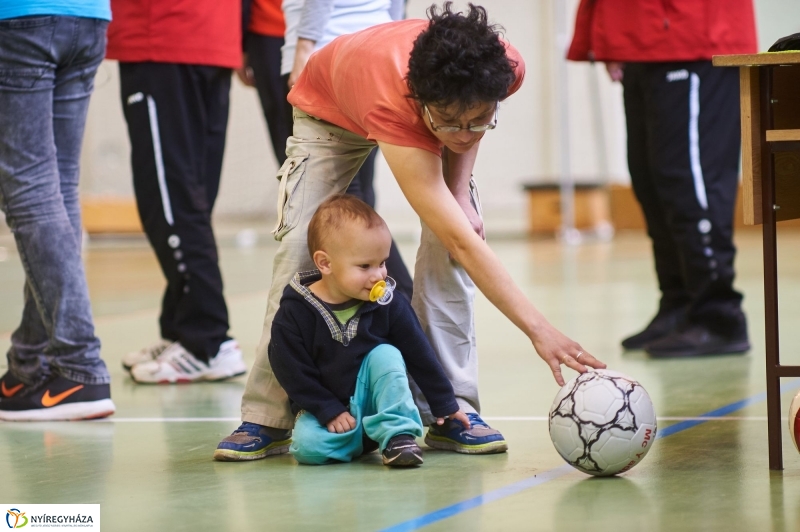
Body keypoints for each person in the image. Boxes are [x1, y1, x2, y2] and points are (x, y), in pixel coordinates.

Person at [214, 2, 605, 461]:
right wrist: (539, 330)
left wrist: (459, 188)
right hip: (331, 109)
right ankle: (266, 416)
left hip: (403, 94)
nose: (466, 132)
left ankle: (450, 412)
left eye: (481, 118)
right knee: (303, 249)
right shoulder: (394, 101)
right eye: (450, 122)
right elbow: (464, 236)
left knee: (450, 242)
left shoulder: (505, 68)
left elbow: (462, 137)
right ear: (422, 102)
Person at [568, 0, 756, 357]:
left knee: (687, 181)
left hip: (692, 31)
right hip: (643, 35)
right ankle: (680, 304)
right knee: (649, 180)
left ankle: (718, 314)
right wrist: (609, 35)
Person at [268, 195, 475, 466]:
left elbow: (419, 353)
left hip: (378, 402)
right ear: (325, 263)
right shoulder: (295, 313)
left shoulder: (389, 303)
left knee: (386, 354)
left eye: (382, 263)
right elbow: (291, 370)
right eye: (365, 266)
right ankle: (358, 439)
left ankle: (397, 434)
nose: (378, 275)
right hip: (328, 409)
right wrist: (327, 410)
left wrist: (445, 403)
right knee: (307, 448)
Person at [106, 0, 248, 382]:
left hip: (165, 35)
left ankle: (208, 341)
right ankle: (183, 330)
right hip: (212, 36)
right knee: (191, 198)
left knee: (169, 200)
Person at [238, 0, 414, 298]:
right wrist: (389, 40)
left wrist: (302, 51)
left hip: (321, 55)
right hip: (371, 55)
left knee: (327, 196)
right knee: (356, 192)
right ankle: (389, 308)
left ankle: (398, 301)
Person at [0, 2, 116, 420]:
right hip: (87, 16)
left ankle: (80, 365)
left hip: (18, 20)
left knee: (30, 192)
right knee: (57, 189)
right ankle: (29, 364)